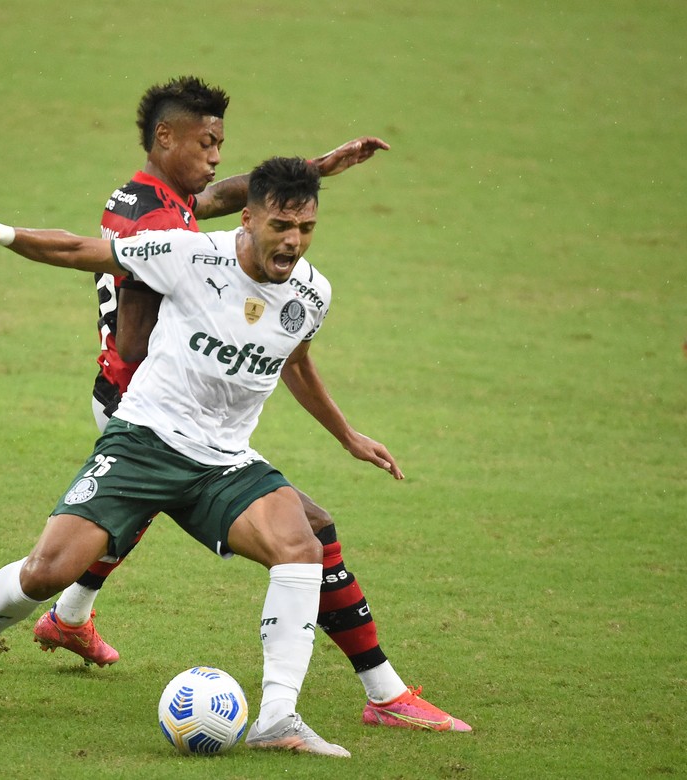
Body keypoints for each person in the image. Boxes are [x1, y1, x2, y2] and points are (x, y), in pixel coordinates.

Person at [0, 157, 408, 756]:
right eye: (281, 225)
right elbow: (78, 250)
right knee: (47, 572)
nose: (294, 241)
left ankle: (278, 717)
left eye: (306, 228)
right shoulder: (188, 254)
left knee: (301, 544)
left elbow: (295, 363)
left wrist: (347, 435)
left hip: (223, 461)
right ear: (247, 219)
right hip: (144, 442)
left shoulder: (312, 293)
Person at [29, 76, 470, 732]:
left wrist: (304, 175)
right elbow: (168, 274)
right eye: (206, 144)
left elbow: (215, 202)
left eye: (218, 146)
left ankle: (67, 618)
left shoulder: (148, 201)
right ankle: (385, 694)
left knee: (131, 511)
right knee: (310, 530)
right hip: (151, 409)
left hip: (130, 400)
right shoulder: (158, 226)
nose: (212, 158)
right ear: (167, 140)